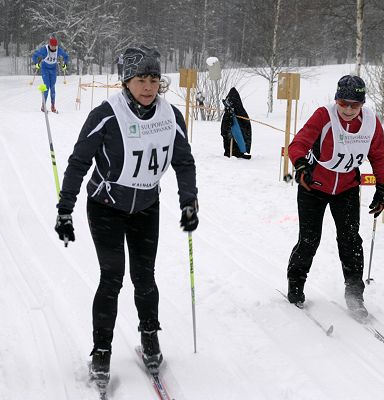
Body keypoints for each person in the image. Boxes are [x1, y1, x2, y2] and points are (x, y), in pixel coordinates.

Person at [53, 45, 198, 381]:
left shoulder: (171, 116)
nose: (148, 87)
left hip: (147, 206)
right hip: (106, 207)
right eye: (140, 79)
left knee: (144, 277)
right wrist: (65, 209)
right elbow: (78, 163)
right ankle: (102, 351)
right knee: (113, 276)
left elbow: (183, 161)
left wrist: (189, 201)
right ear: (126, 81)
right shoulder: (106, 114)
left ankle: (150, 338)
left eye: (153, 79)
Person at [286, 75, 384, 319]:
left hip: (347, 189)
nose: (349, 109)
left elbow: (378, 155)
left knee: (351, 241)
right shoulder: (324, 116)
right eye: (344, 103)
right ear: (336, 100)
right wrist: (300, 165)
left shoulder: (371, 123)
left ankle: (355, 296)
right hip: (313, 186)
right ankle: (296, 284)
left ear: (362, 104)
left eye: (355, 105)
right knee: (310, 239)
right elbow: (298, 143)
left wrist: (382, 188)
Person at [32, 37, 69, 113]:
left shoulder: (59, 50)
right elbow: (35, 55)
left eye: (55, 46)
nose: (53, 47)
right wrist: (36, 63)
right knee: (47, 86)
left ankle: (53, 105)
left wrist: (65, 64)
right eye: (52, 46)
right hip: (45, 69)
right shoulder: (44, 50)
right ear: (49, 44)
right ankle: (43, 106)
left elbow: (66, 56)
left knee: (53, 87)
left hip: (53, 69)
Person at [220, 87, 252, 159]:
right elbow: (225, 127)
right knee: (229, 138)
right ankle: (232, 152)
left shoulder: (239, 110)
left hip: (237, 129)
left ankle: (238, 152)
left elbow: (244, 122)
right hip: (230, 131)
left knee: (237, 138)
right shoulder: (229, 109)